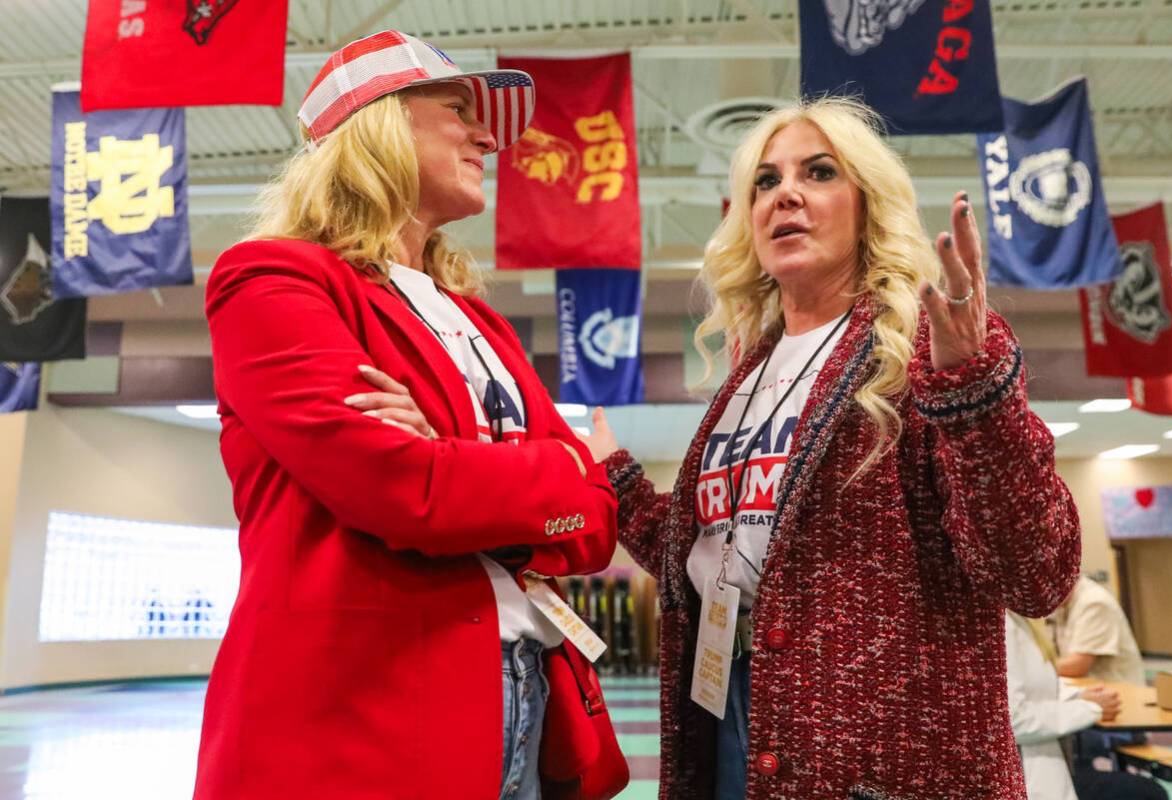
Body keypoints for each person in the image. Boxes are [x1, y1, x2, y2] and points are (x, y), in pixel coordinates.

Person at [582, 97, 1081, 798]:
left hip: (884, 758)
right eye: (764, 180)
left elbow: (1034, 574)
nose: (784, 191)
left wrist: (975, 395)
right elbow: (714, 551)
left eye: (817, 172)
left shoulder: (924, 349)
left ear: (866, 205)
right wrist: (618, 480)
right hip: (729, 710)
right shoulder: (749, 376)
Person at [192, 31, 617, 800]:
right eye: (458, 109)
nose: (488, 135)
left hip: (524, 690)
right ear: (379, 125)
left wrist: (464, 460)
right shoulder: (272, 280)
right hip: (361, 712)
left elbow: (595, 523)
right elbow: (405, 492)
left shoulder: (478, 320)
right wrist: (557, 471)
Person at [1005, 611, 1167, 800]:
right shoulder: (1003, 624)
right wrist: (1088, 709)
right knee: (1145, 793)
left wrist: (1080, 698)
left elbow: (1034, 688)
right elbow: (1013, 720)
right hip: (1028, 776)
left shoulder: (1021, 620)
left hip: (1048, 762)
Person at [1051, 574, 1146, 686]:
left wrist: (1034, 670)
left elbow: (1077, 666)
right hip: (1090, 690)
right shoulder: (1064, 604)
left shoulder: (1094, 602)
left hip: (1122, 694)